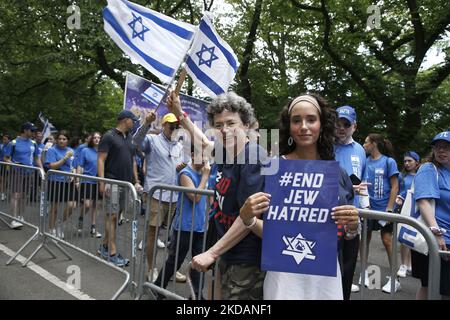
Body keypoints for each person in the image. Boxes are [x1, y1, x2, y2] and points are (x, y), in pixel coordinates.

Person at [239, 94, 359, 300]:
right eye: (296, 120)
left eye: (311, 119)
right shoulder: (273, 169)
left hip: (325, 278)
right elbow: (271, 232)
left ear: (322, 125)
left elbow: (346, 233)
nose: (304, 126)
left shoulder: (338, 175)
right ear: (289, 127)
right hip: (283, 278)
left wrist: (353, 227)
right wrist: (248, 219)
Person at [167, 90, 267, 300]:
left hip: (246, 259)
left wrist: (212, 252)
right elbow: (204, 143)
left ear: (246, 126)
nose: (225, 130)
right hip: (227, 250)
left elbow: (248, 216)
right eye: (219, 125)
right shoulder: (228, 153)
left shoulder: (252, 156)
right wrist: (179, 113)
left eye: (231, 123)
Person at [133, 112, 189, 282]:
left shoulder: (180, 147)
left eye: (176, 125)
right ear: (163, 125)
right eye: (170, 124)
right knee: (153, 233)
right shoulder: (152, 139)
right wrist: (146, 124)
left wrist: (183, 167)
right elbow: (135, 142)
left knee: (169, 237)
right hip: (156, 194)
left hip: (174, 197)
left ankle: (169, 270)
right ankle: (151, 269)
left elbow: (185, 166)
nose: (174, 127)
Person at [154, 143, 211, 299]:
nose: (206, 159)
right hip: (185, 226)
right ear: (193, 155)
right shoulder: (185, 173)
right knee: (175, 261)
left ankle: (196, 295)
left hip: (201, 226)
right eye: (202, 155)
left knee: (200, 263)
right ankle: (158, 288)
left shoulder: (206, 173)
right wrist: (205, 177)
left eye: (207, 155)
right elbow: (196, 198)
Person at [97, 110, 141, 267]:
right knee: (112, 216)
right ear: (125, 120)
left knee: (116, 215)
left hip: (126, 184)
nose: (134, 123)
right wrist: (102, 182)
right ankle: (112, 252)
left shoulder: (129, 138)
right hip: (112, 182)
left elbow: (133, 160)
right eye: (133, 120)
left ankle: (104, 245)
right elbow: (101, 160)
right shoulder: (109, 136)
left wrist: (136, 180)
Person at [334, 105, 369, 297]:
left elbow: (361, 180)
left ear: (354, 127)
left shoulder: (361, 150)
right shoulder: (324, 145)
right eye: (337, 123)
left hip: (351, 218)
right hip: (328, 217)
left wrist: (357, 193)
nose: (341, 128)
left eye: (345, 124)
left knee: (347, 270)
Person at [411, 131, 450, 300]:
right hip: (436, 240)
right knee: (431, 287)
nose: (441, 151)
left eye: (446, 147)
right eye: (438, 147)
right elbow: (423, 201)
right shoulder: (428, 169)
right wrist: (437, 234)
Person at [363, 133, 400, 293]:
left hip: (385, 209)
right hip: (368, 208)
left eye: (366, 142)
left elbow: (395, 186)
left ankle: (394, 278)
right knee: (365, 240)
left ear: (374, 144)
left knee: (387, 240)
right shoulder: (365, 161)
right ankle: (364, 273)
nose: (363, 145)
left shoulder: (388, 161)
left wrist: (390, 209)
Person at [3, 122, 43, 229]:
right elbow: (6, 158)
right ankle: (14, 218)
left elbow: (36, 158)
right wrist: (13, 164)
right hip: (16, 172)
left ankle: (20, 216)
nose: (33, 132)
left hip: (29, 172)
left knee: (24, 196)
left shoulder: (33, 143)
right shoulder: (14, 143)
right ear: (25, 130)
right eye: (32, 130)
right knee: (16, 195)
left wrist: (41, 170)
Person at [45, 130, 76, 239]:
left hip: (69, 182)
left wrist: (74, 174)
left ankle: (59, 222)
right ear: (57, 140)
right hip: (56, 180)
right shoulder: (52, 150)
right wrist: (65, 158)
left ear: (67, 140)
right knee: (55, 207)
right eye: (60, 139)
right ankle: (51, 229)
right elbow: (52, 166)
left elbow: (74, 166)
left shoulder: (71, 150)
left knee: (72, 205)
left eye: (64, 139)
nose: (62, 141)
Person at [395, 151, 420, 278]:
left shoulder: (420, 176)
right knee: (404, 237)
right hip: (402, 210)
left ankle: (409, 264)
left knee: (413, 238)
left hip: (416, 211)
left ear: (417, 162)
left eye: (410, 161)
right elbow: (397, 191)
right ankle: (403, 265)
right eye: (405, 161)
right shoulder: (401, 176)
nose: (407, 163)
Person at [76, 132, 102, 238]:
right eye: (94, 137)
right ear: (91, 139)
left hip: (99, 181)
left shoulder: (103, 152)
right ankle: (81, 217)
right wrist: (77, 180)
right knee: (87, 204)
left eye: (99, 138)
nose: (96, 139)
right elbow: (80, 165)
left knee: (97, 205)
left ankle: (93, 227)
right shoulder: (85, 150)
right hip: (87, 180)